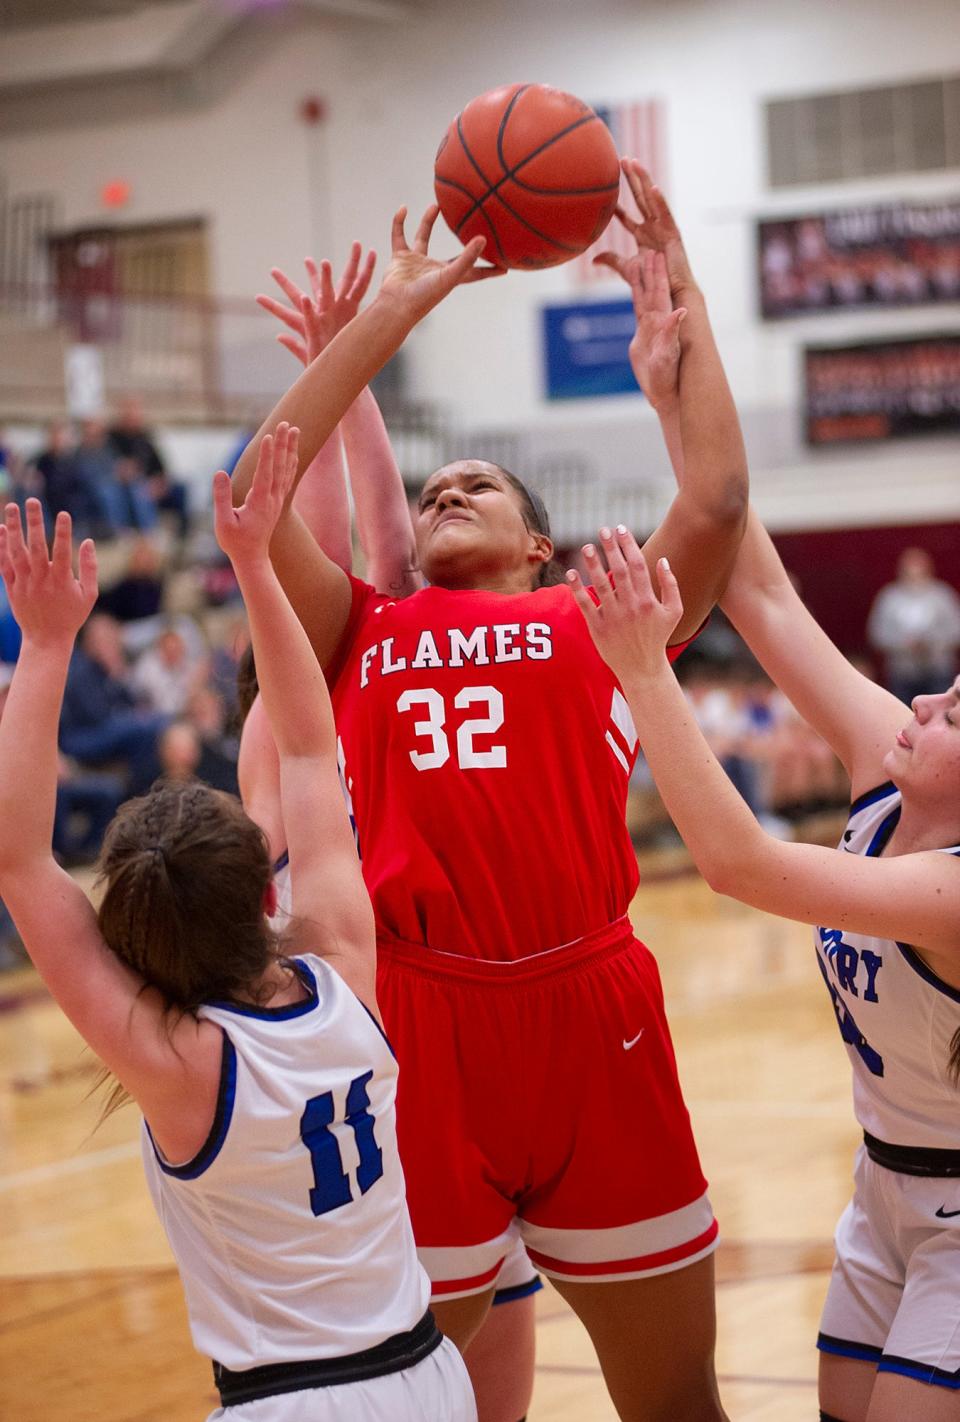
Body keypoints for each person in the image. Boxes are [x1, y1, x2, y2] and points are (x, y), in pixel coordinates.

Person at [230, 182, 748, 1420]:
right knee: (405, 1401)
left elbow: (720, 502)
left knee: (676, 1399)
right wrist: (388, 323)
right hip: (419, 1021)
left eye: (480, 486)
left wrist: (691, 310)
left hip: (593, 1012)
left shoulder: (597, 620)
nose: (446, 490)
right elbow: (255, 494)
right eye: (431, 488)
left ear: (539, 549)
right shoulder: (359, 628)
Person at [570, 195, 960, 1422]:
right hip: (884, 1184)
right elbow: (757, 580)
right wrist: (677, 342)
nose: (933, 697)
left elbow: (736, 861)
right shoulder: (887, 754)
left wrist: (643, 669)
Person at [0, 430, 476, 1421]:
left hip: (292, 1402)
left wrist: (40, 648)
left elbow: (17, 861)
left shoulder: (181, 1066)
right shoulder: (346, 966)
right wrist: (257, 565)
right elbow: (308, 750)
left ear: (128, 931)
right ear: (265, 884)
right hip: (431, 1378)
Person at [251, 243, 541, 1422]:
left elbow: (380, 541)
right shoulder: (293, 716)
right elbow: (336, 530)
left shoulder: (372, 657)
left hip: (430, 1021)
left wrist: (349, 366)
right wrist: (345, 358)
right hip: (362, 1037)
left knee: (496, 1292)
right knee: (405, 1336)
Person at [867, 547, 960, 707]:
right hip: (902, 672)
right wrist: (902, 645)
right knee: (902, 714)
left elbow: (955, 630)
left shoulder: (942, 596)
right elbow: (877, 633)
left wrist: (932, 644)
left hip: (938, 670)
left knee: (941, 713)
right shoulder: (890, 597)